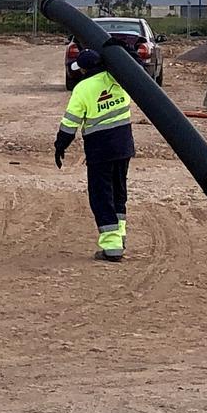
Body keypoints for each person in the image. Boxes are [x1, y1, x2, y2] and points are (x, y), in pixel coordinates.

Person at [54, 48, 135, 262]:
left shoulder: (83, 88)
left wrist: (60, 145)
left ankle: (112, 247)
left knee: (101, 196)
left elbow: (70, 123)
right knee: (118, 192)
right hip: (124, 146)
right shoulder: (118, 78)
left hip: (100, 150)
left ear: (84, 69)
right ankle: (119, 237)